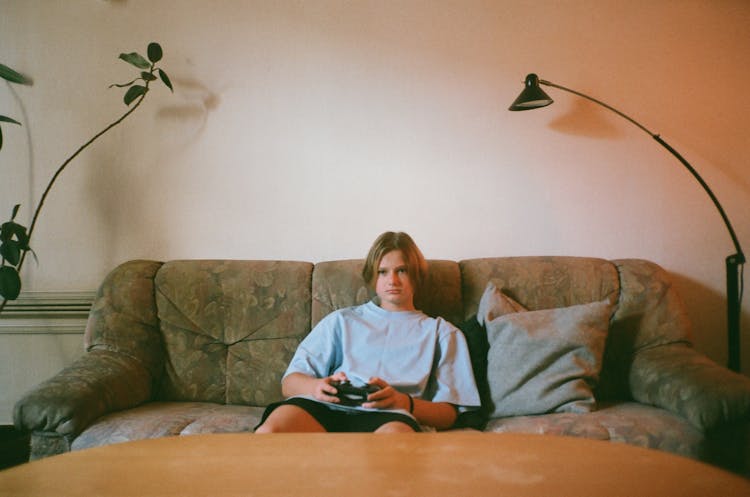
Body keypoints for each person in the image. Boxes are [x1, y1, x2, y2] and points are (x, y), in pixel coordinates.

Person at [254, 231, 480, 433]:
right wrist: (316, 386)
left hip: (391, 415)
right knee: (271, 432)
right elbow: (289, 383)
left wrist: (403, 402)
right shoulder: (342, 321)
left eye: (401, 270)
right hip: (326, 407)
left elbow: (450, 414)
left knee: (395, 444)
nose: (392, 280)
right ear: (373, 277)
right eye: (382, 272)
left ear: (416, 275)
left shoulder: (442, 332)